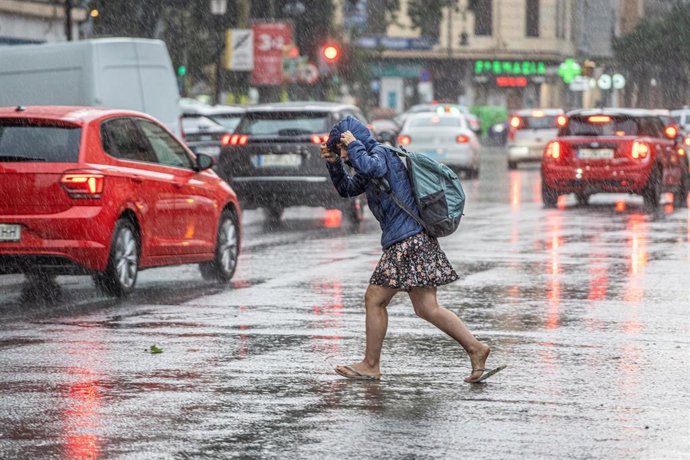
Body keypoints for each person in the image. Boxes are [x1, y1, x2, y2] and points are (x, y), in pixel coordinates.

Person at [321, 116, 505, 384]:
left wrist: (354, 147)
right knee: (427, 308)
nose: (345, 154)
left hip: (407, 240)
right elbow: (347, 189)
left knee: (375, 299)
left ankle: (371, 365)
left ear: (355, 139)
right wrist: (335, 164)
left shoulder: (380, 153)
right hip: (413, 240)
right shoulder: (365, 159)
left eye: (343, 148)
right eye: (342, 150)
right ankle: (476, 348)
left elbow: (371, 168)